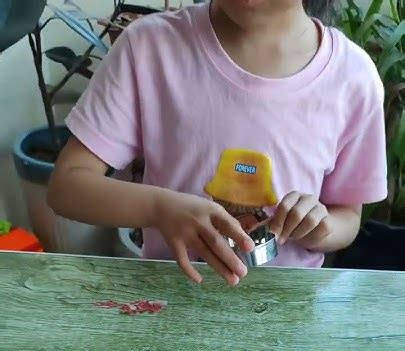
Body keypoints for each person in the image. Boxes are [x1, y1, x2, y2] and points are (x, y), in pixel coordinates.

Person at [48, 0, 387, 286]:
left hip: (288, 308)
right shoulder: (150, 47)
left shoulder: (353, 77)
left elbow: (347, 216)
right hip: (172, 300)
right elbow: (68, 186)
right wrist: (159, 208)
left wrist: (319, 227)